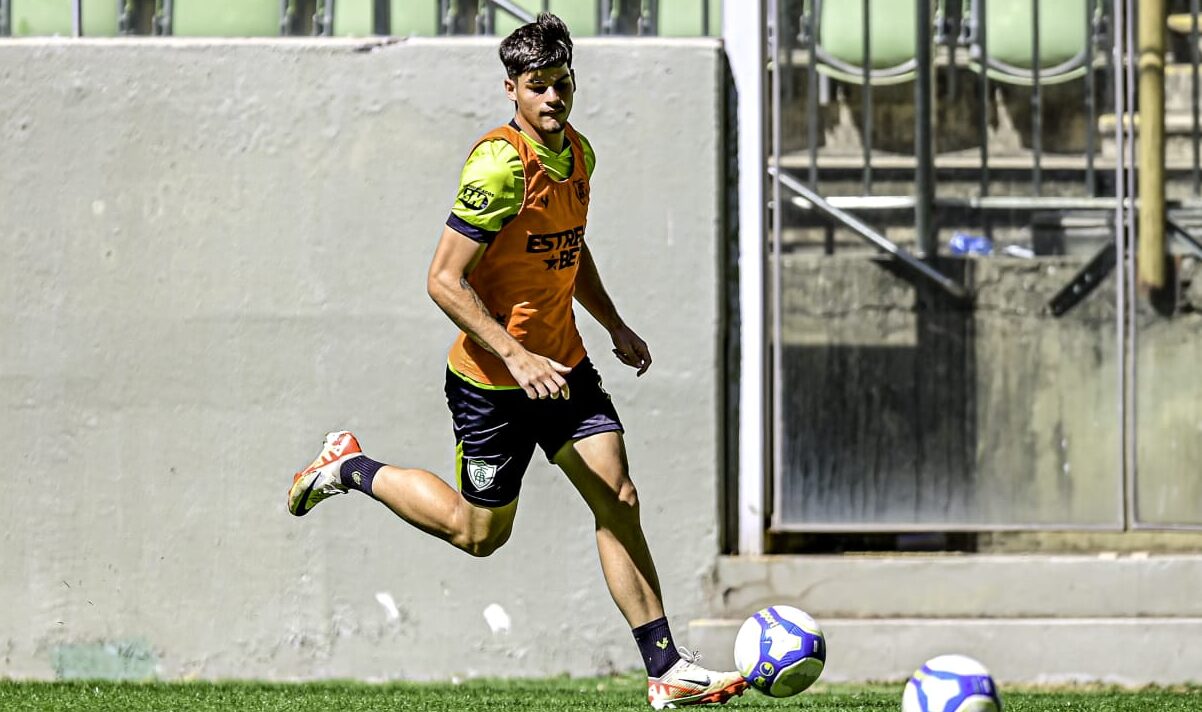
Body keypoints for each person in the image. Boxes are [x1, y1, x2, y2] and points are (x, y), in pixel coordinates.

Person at [286, 13, 745, 709]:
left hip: (563, 369)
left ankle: (665, 668)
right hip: (493, 383)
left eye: (563, 82)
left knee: (617, 498)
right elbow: (443, 279)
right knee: (477, 536)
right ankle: (349, 465)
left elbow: (569, 246)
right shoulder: (498, 165)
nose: (554, 97)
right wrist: (515, 353)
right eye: (539, 86)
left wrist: (614, 323)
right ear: (512, 90)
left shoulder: (580, 155)